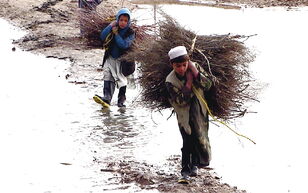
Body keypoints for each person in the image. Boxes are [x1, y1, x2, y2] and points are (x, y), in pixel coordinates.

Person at [165, 46, 213, 184]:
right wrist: (189, 83)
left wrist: (196, 73)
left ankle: (195, 165)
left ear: (189, 62)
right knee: (187, 141)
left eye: (184, 65)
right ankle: (184, 171)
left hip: (199, 113)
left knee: (200, 138)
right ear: (172, 65)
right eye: (177, 66)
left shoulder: (195, 68)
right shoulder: (170, 81)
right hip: (184, 116)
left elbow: (208, 85)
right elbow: (180, 101)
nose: (181, 68)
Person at [93, 8, 135, 108]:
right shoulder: (113, 27)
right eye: (121, 20)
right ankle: (107, 98)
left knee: (122, 80)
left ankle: (121, 101)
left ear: (128, 21)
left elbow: (124, 45)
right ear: (117, 19)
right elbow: (103, 36)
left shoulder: (131, 32)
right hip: (110, 57)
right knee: (108, 75)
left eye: (125, 20)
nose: (123, 23)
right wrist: (110, 26)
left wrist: (116, 34)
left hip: (123, 61)